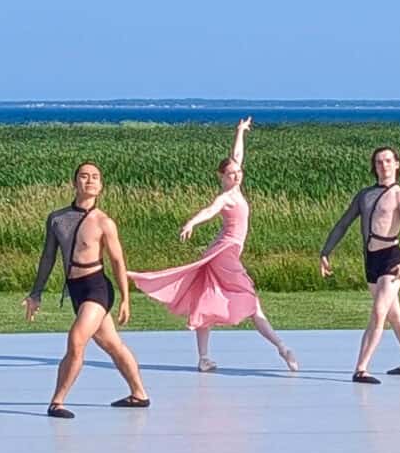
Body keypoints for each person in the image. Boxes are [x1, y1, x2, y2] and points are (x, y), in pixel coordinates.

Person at [128, 118, 298, 374]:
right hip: (225, 253)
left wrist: (240, 131)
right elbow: (210, 210)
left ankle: (205, 358)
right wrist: (191, 223)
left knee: (205, 303)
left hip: (221, 252)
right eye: (231, 174)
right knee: (251, 302)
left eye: (238, 173)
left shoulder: (237, 189)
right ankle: (282, 348)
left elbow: (237, 155)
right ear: (222, 177)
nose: (237, 175)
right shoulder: (226, 197)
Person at [25, 161, 150, 419]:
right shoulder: (57, 219)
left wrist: (126, 299)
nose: (90, 180)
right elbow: (47, 258)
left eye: (95, 177)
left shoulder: (104, 222)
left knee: (76, 339)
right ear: (75, 182)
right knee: (113, 344)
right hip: (76, 289)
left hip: (97, 287)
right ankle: (139, 394)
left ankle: (56, 402)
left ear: (101, 186)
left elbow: (117, 261)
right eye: (84, 176)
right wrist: (36, 293)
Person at [320, 146, 400, 384]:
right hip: (371, 261)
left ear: (397, 164)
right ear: (374, 166)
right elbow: (343, 223)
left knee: (379, 312)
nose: (384, 165)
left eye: (388, 161)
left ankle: (361, 368)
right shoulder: (364, 195)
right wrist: (326, 251)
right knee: (394, 314)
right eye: (379, 162)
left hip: (391, 260)